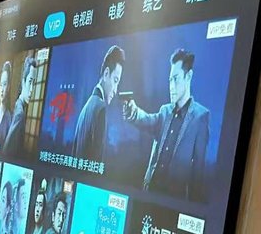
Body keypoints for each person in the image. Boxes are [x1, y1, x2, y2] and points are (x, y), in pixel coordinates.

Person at [125, 49, 210, 201]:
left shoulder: (200, 117)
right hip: (149, 193)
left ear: (188, 76)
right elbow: (147, 120)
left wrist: (191, 206)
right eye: (170, 80)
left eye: (175, 79)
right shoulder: (165, 111)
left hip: (174, 200)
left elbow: (198, 172)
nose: (171, 85)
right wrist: (133, 111)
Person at [72, 45, 125, 162]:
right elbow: (96, 163)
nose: (115, 90)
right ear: (106, 74)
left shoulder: (86, 108)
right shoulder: (101, 108)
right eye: (115, 81)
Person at [4, 55, 37, 157]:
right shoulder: (20, 113)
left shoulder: (19, 105)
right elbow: (7, 148)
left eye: (34, 84)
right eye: (30, 82)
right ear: (23, 82)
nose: (31, 89)